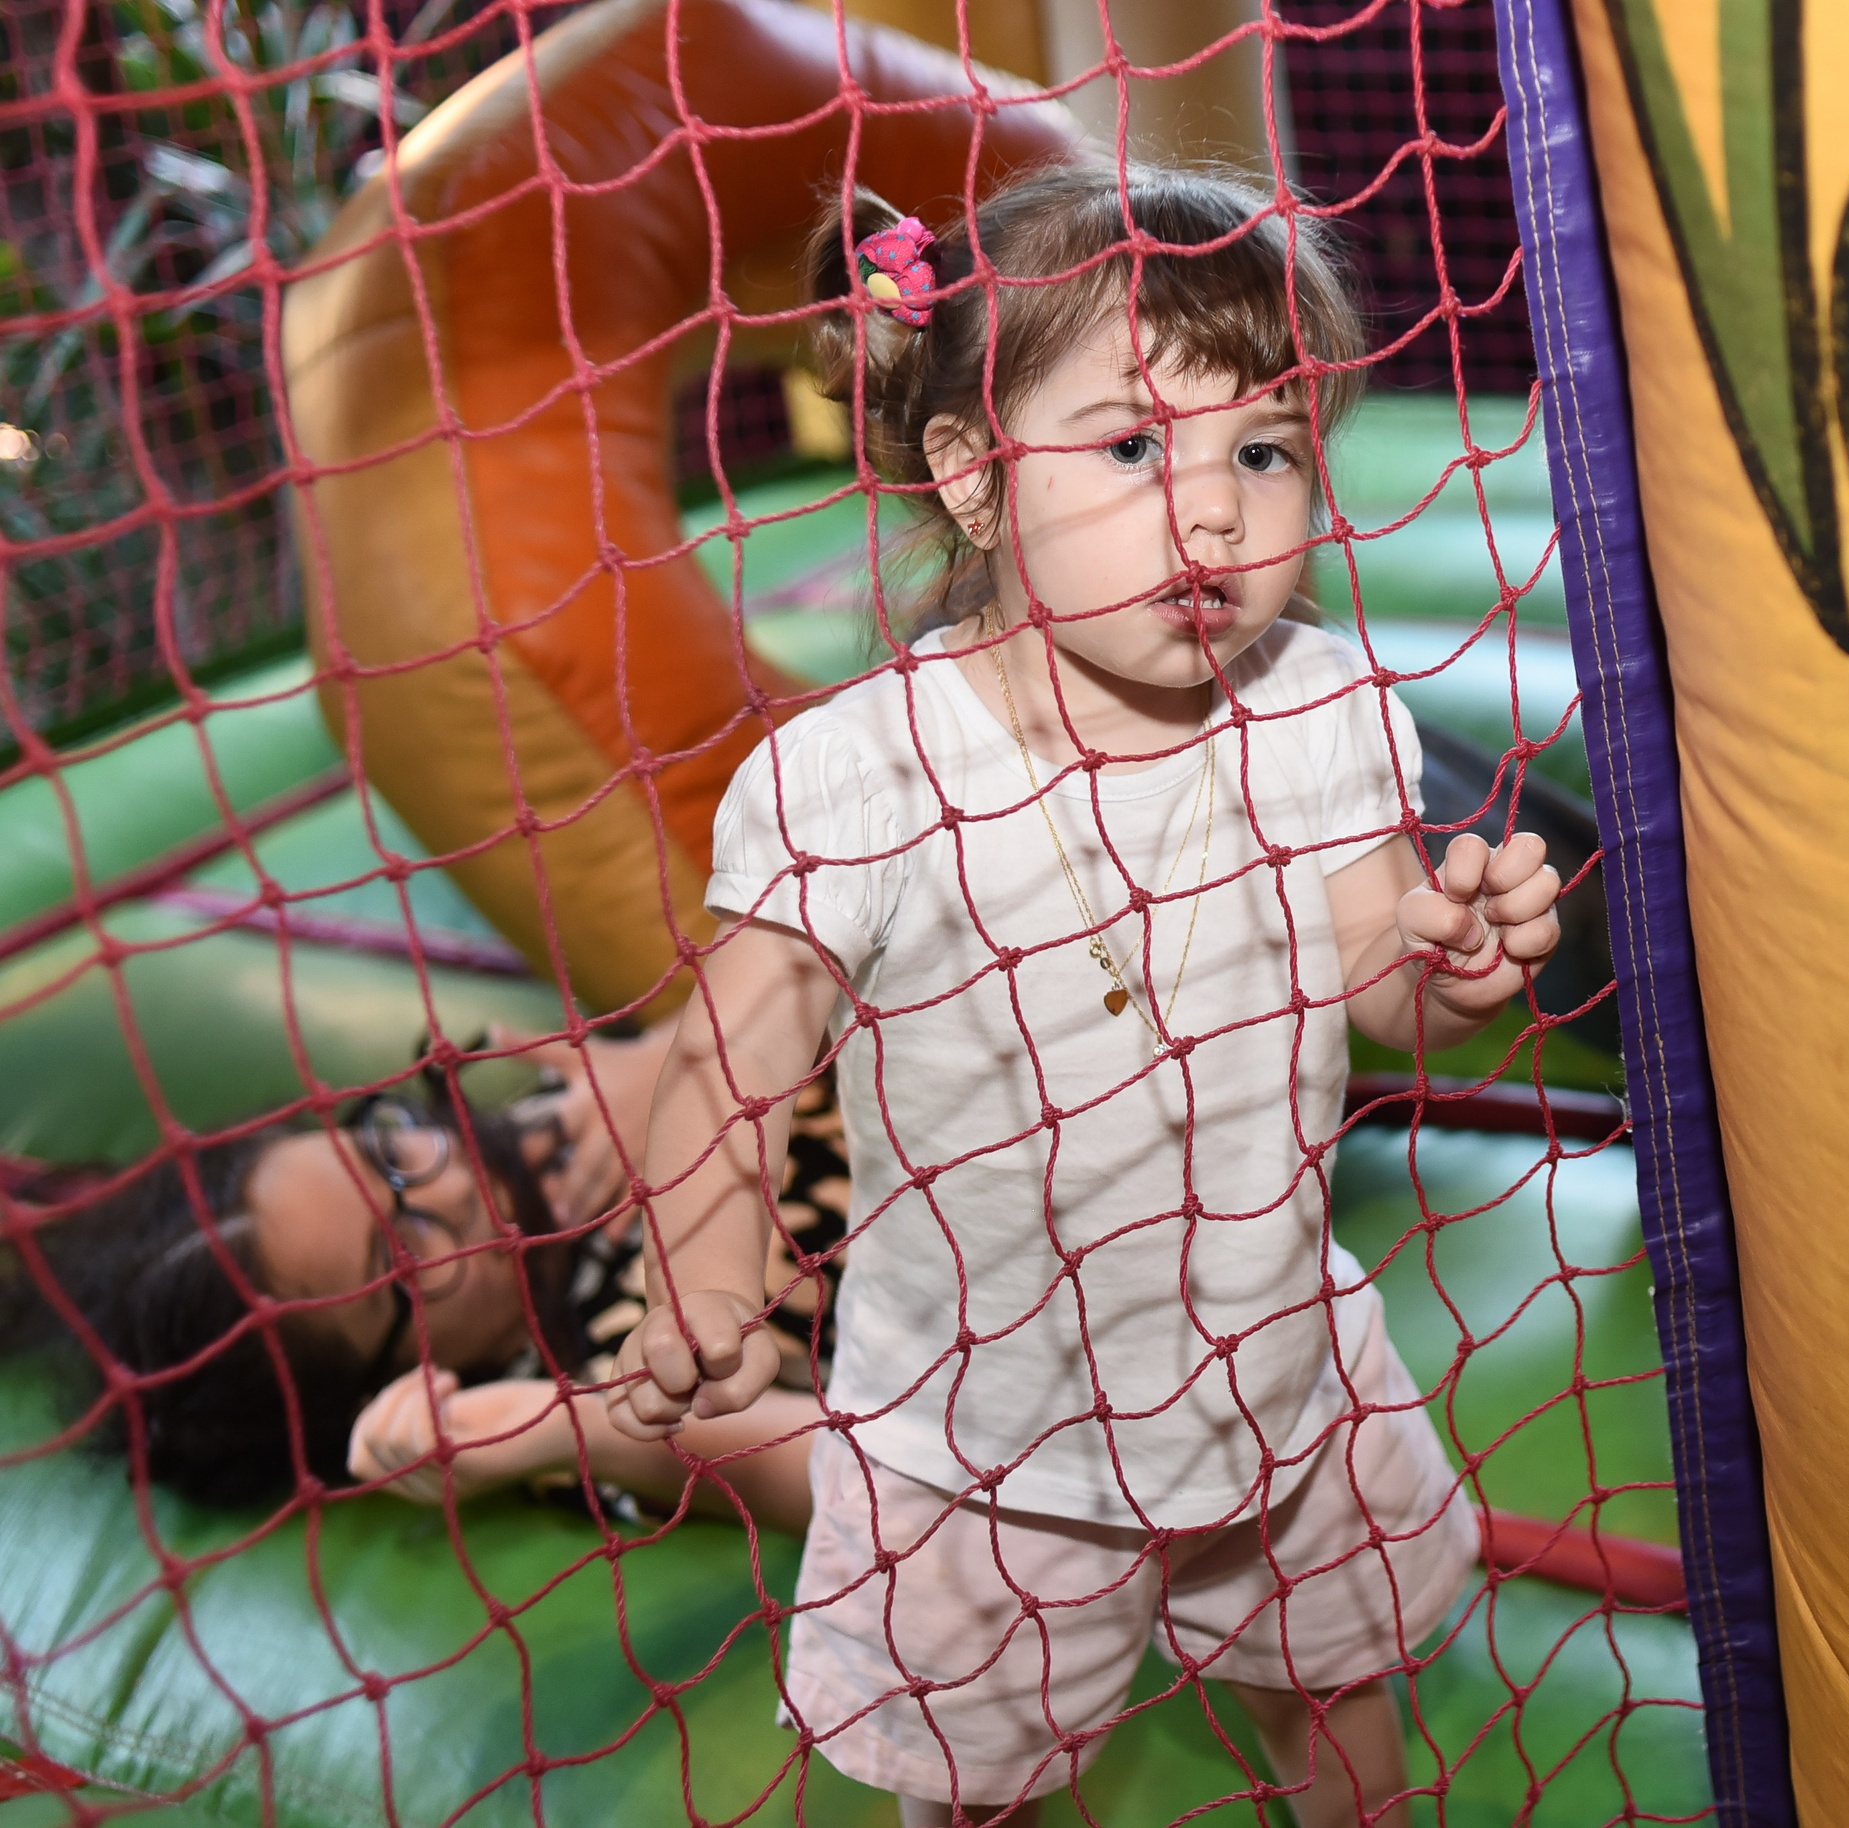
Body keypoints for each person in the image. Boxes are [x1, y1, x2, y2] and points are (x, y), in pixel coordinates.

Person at [606, 163, 1564, 1827]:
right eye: (1133, 446)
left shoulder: (1319, 711)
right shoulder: (861, 772)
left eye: (1262, 451)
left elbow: (1374, 986)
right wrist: (703, 1276)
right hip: (989, 1438)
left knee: (1342, 1712)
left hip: (1276, 1375)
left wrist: (1453, 958)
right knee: (975, 1788)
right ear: (974, 482)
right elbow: (737, 1050)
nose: (1214, 516)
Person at [0, 1026, 817, 1525]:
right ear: (390, 1382)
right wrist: (557, 1430)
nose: (456, 1187)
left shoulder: (559, 1099)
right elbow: (861, 1479)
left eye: (386, 1154)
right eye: (402, 1258)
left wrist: (686, 1040)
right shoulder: (594, 1383)